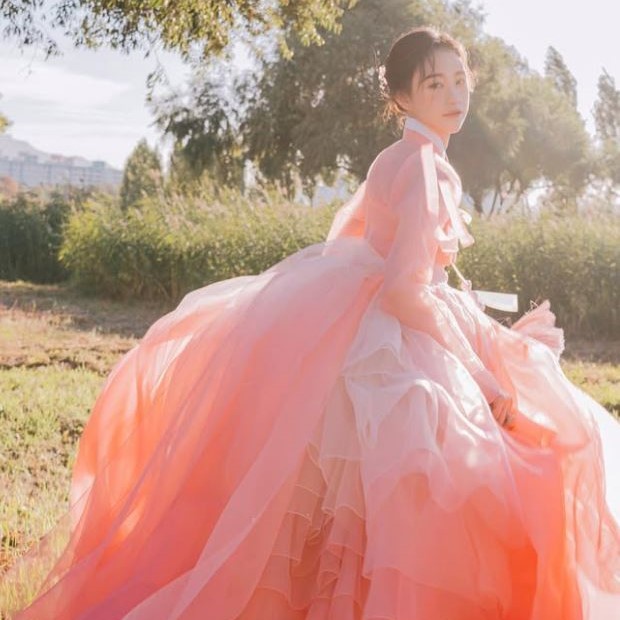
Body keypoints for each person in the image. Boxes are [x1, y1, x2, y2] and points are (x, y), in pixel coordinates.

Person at [3, 26, 620, 620]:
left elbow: (355, 243)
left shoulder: (395, 158)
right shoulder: (427, 167)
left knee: (345, 503)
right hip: (401, 331)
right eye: (434, 85)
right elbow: (405, 290)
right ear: (401, 97)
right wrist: (481, 376)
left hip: (369, 324)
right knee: (526, 454)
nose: (454, 95)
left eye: (460, 80)